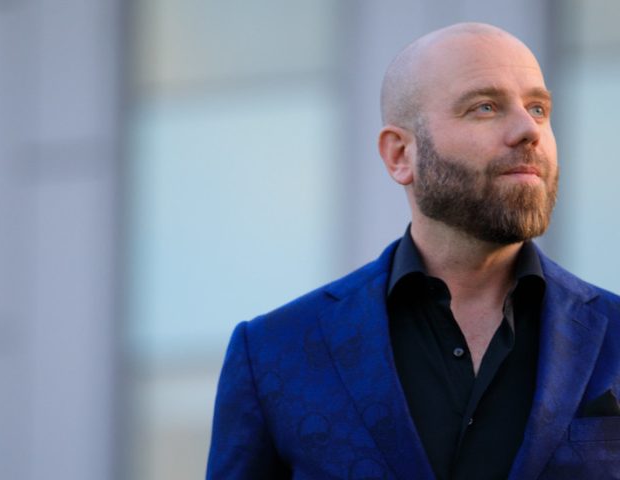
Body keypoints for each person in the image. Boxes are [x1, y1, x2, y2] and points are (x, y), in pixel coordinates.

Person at [206, 22, 620, 479]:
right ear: (400, 154)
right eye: (485, 107)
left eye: (539, 109)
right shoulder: (272, 355)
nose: (528, 130)